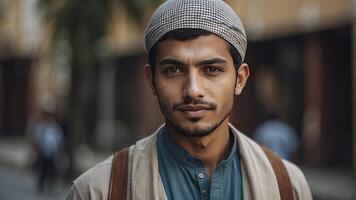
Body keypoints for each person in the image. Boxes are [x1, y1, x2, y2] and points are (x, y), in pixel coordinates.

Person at [66, 0, 312, 199]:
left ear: (239, 79)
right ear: (151, 80)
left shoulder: (287, 186)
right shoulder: (98, 191)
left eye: (211, 70)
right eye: (174, 70)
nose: (193, 90)